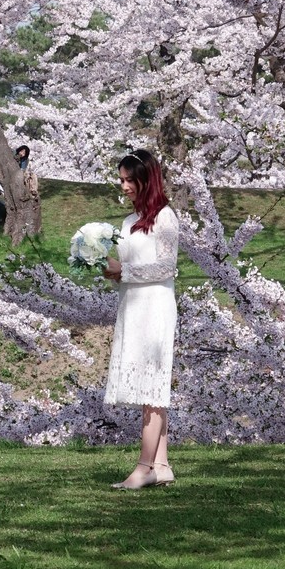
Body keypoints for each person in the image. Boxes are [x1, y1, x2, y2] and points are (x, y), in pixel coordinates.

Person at [102, 148, 180, 490]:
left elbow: (167, 266)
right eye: (121, 180)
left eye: (130, 180)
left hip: (156, 307)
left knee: (153, 385)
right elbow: (124, 267)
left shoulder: (165, 218)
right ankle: (161, 464)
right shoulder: (128, 223)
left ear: (147, 179)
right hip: (132, 307)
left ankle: (145, 466)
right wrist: (101, 264)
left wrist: (126, 271)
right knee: (149, 389)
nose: (124, 186)